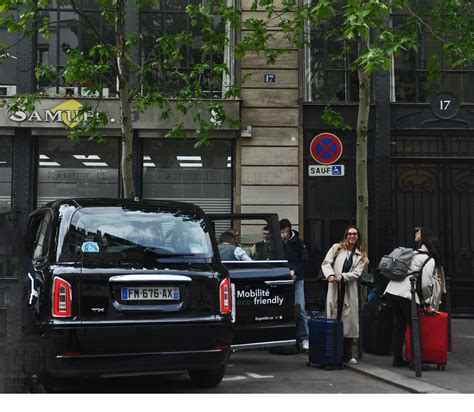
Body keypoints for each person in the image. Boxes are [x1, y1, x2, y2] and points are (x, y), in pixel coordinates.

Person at [384, 227, 437, 367]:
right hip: (406, 293)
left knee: (399, 325)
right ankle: (416, 361)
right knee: (415, 325)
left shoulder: (412, 253)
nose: (415, 233)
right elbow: (426, 283)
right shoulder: (428, 259)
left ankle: (397, 358)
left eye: (418, 232)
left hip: (392, 290)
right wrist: (427, 303)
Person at [321, 225, 369, 364]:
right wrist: (330, 275)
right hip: (335, 287)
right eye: (349, 234)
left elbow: (357, 273)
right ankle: (332, 352)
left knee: (349, 323)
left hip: (349, 289)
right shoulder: (336, 248)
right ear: (346, 235)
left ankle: (347, 354)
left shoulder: (361, 254)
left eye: (354, 234)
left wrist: (342, 276)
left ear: (358, 237)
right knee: (334, 318)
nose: (352, 236)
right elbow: (326, 263)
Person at [280, 218, 310, 351]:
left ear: (288, 229)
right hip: (284, 277)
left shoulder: (299, 243)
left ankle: (305, 338)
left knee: (300, 308)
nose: (282, 234)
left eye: (283, 231)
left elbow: (305, 261)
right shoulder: (280, 242)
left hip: (297, 279)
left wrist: (294, 271)